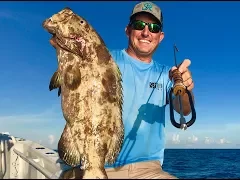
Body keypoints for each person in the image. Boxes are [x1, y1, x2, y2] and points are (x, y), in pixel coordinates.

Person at [58, 1, 195, 179]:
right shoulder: (103, 58)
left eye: (153, 27)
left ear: (160, 36)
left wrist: (184, 87)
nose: (146, 32)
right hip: (90, 163)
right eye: (139, 25)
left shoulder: (166, 74)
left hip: (147, 170)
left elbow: (183, 109)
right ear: (128, 30)